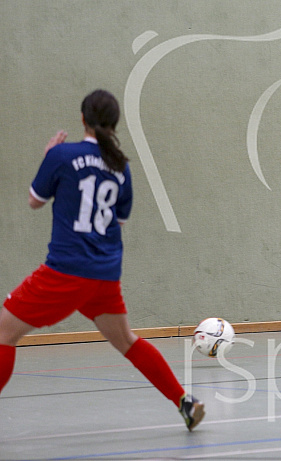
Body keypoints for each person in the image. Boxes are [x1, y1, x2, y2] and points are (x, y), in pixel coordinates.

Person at [0, 90, 205, 431]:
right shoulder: (120, 165)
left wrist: (49, 156)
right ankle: (184, 401)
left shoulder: (63, 155)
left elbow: (35, 201)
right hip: (104, 273)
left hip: (65, 271)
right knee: (127, 341)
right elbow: (117, 221)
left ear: (83, 119)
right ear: (114, 124)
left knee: (3, 333)